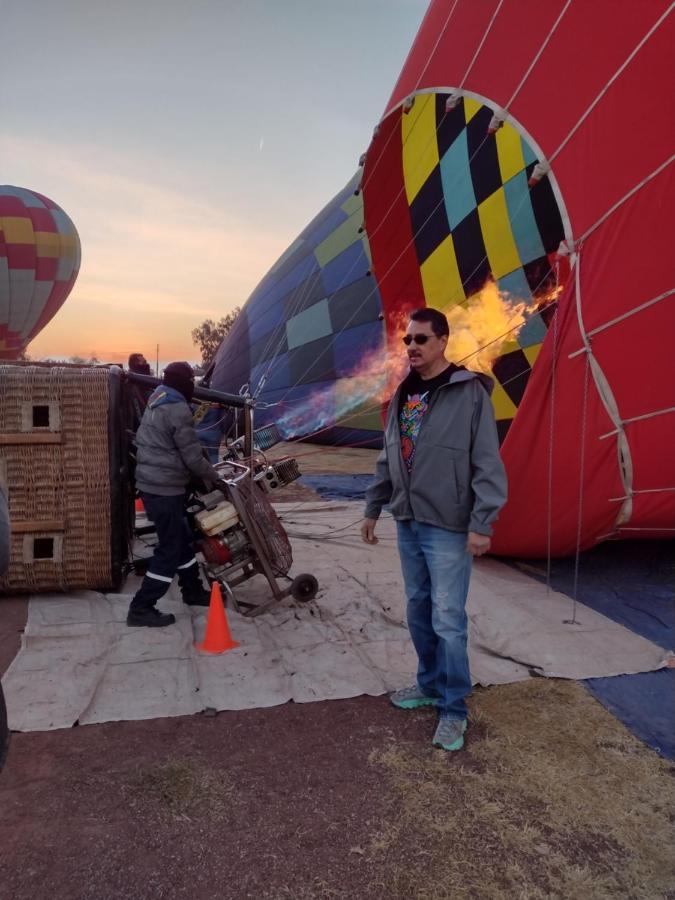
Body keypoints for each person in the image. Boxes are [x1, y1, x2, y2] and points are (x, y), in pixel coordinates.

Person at [361, 308, 507, 751]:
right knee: (419, 610)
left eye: (421, 340)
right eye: (408, 341)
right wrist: (373, 506)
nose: (412, 348)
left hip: (447, 525)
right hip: (408, 519)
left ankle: (454, 706)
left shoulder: (468, 393)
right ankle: (428, 684)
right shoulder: (404, 393)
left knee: (448, 618)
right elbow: (390, 456)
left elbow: (486, 460)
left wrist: (482, 523)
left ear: (443, 341)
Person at [127, 361, 221, 627]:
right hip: (164, 488)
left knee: (182, 540)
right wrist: (215, 477)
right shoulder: (177, 408)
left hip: (153, 484)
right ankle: (141, 606)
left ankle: (192, 591)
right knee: (170, 549)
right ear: (185, 383)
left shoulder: (157, 398)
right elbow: (192, 456)